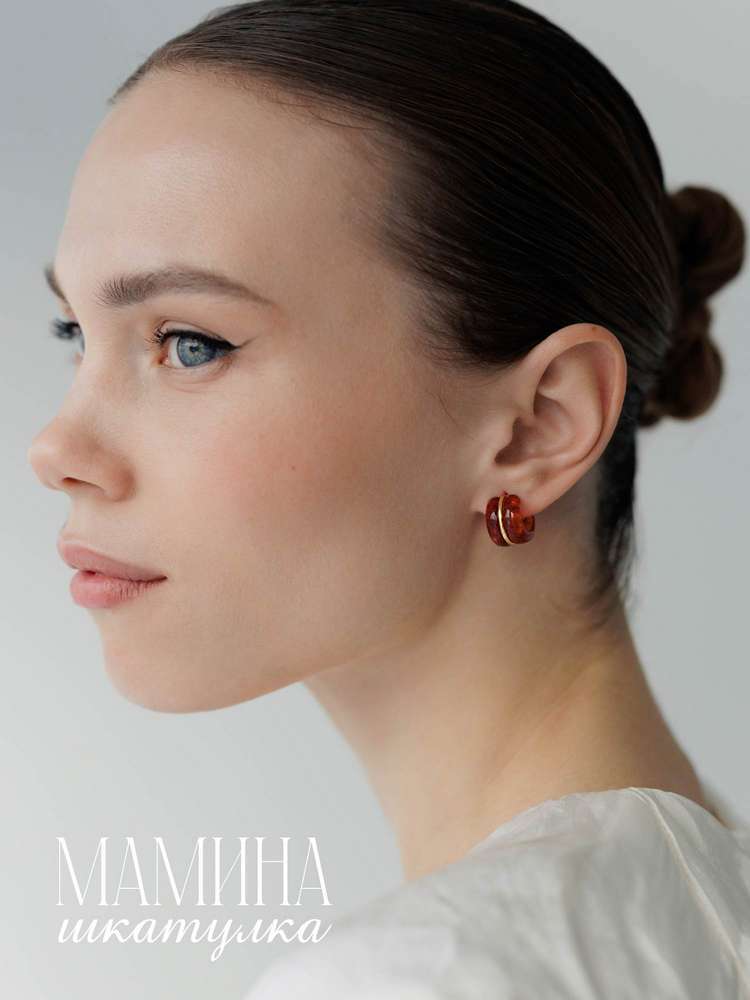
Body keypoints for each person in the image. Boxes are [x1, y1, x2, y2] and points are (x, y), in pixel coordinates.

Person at [27, 1, 749, 996]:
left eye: (191, 344)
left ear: (539, 424)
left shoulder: (422, 975)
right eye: (75, 333)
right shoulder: (701, 904)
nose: (56, 451)